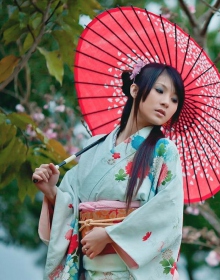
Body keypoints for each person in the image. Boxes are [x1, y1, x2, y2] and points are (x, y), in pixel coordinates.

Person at [32, 62, 185, 280]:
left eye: (174, 99)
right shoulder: (95, 145)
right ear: (134, 89)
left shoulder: (164, 151)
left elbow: (167, 213)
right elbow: (73, 204)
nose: (165, 103)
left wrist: (109, 235)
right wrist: (51, 191)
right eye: (160, 90)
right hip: (89, 267)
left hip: (129, 271)